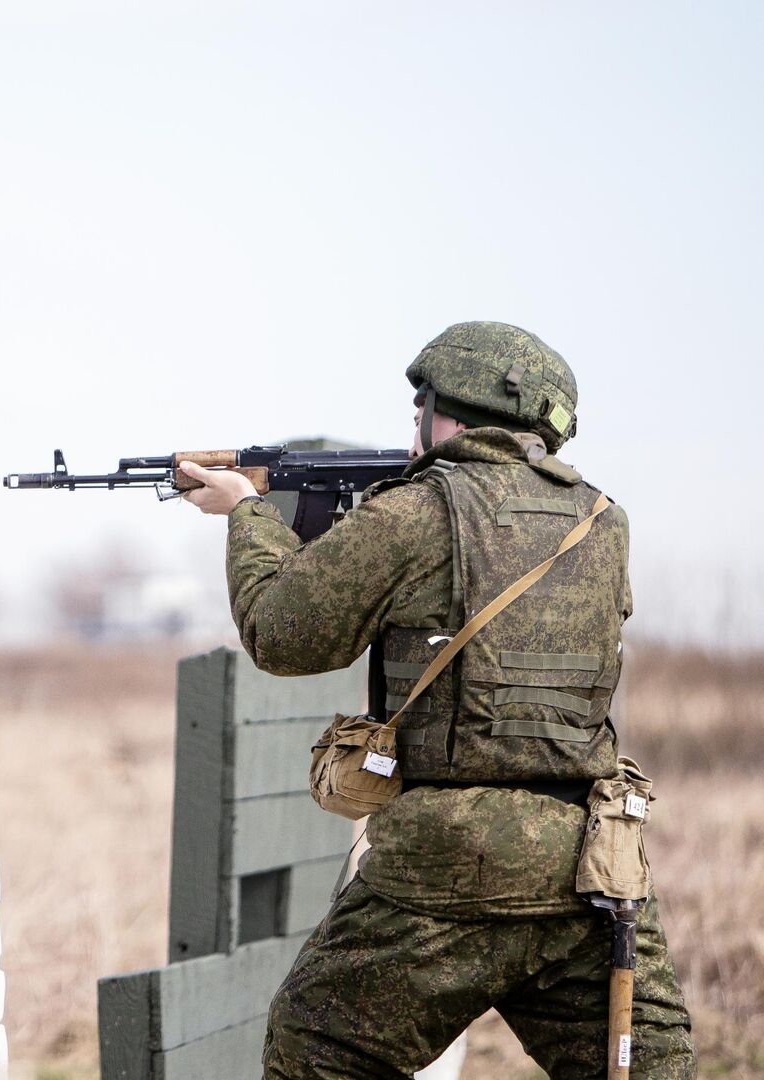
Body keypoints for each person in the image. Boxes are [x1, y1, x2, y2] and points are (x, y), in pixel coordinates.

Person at [176, 322, 695, 1079]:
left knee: (319, 1045)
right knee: (646, 1066)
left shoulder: (415, 510)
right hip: (588, 861)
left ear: (445, 413)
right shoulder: (602, 521)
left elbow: (283, 634)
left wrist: (248, 514)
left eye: (419, 406)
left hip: (444, 866)